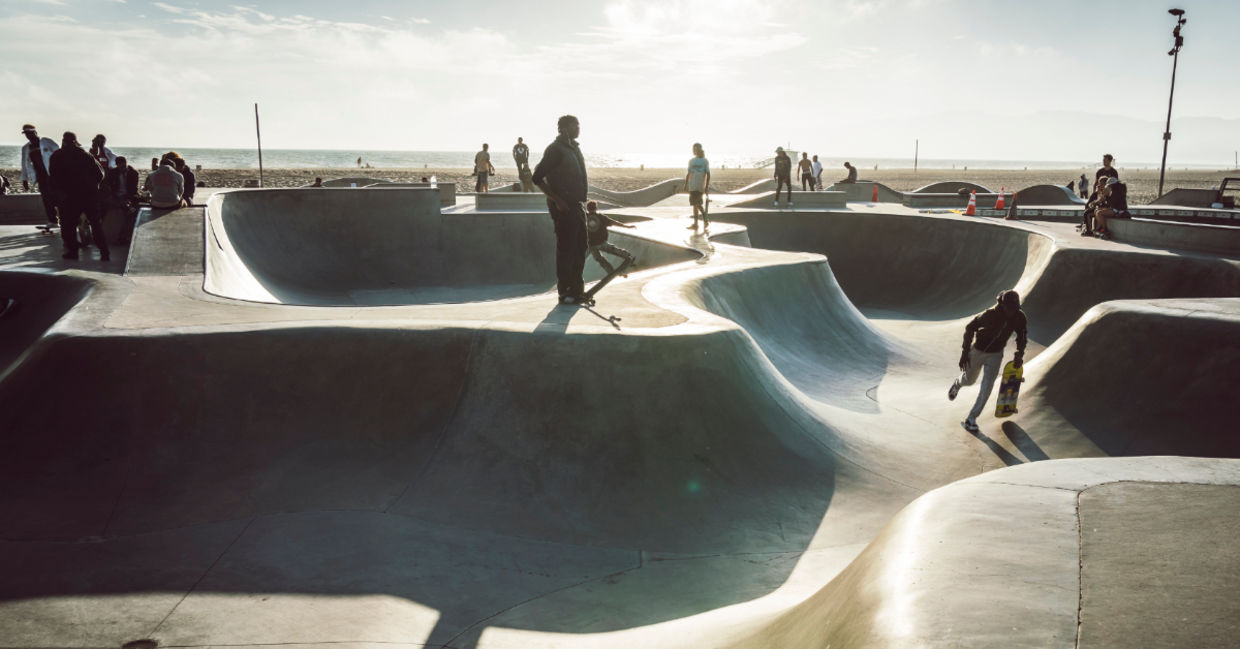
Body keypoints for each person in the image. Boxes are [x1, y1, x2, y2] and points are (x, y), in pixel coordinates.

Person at [947, 289, 1028, 433]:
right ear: (1003, 305)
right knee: (969, 380)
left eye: (1014, 309)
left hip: (996, 355)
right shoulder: (989, 314)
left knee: (987, 387)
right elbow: (970, 327)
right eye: (1009, 308)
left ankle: (971, 418)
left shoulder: (1019, 317)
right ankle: (958, 384)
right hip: (978, 351)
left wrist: (1019, 354)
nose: (1011, 312)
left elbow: (1022, 335)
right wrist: (965, 352)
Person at [532, 115, 590, 305]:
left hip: (577, 206)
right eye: (575, 125)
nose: (579, 128)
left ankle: (576, 289)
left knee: (581, 247)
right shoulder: (555, 150)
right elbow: (537, 177)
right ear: (564, 128)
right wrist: (556, 200)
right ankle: (564, 291)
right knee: (567, 249)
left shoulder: (573, 148)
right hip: (564, 208)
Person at [49, 131, 108, 261]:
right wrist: (92, 187)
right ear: (75, 141)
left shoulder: (56, 156)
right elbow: (100, 175)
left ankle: (73, 252)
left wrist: (59, 194)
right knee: (95, 225)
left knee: (68, 226)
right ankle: (104, 252)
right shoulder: (86, 155)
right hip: (89, 196)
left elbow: (53, 178)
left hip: (69, 197)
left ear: (63, 141)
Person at [19, 124, 60, 230]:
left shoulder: (46, 142)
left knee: (58, 197)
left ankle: (66, 220)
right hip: (40, 176)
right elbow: (24, 164)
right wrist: (24, 179)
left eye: (30, 133)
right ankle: (53, 221)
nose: (28, 136)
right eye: (26, 134)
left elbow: (59, 154)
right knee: (46, 199)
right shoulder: (26, 148)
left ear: (35, 132)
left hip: (53, 175)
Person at [585, 201, 636, 277]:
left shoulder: (584, 217)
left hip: (591, 245)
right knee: (613, 250)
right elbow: (613, 222)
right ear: (596, 208)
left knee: (600, 260)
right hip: (601, 242)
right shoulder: (601, 217)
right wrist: (626, 226)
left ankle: (610, 272)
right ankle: (628, 257)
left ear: (587, 209)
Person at [105, 156, 141, 245]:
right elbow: (110, 188)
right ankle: (112, 234)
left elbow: (133, 189)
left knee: (130, 209)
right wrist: (115, 198)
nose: (123, 168)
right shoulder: (113, 173)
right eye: (120, 166)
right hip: (116, 196)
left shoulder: (133, 173)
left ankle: (124, 235)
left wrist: (126, 198)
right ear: (117, 165)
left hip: (129, 196)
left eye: (124, 166)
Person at [685, 142, 710, 230]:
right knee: (694, 205)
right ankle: (696, 224)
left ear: (699, 149)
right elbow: (689, 174)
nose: (694, 150)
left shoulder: (705, 161)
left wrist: (706, 186)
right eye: (693, 149)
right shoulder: (691, 161)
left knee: (697, 204)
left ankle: (705, 218)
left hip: (699, 186)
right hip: (692, 185)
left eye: (695, 149)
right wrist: (686, 184)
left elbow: (708, 174)